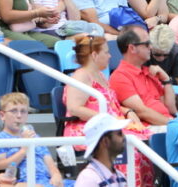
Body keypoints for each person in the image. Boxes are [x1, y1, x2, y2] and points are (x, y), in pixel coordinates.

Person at [63, 35, 154, 186]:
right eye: (106, 52)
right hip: (87, 128)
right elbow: (74, 108)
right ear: (94, 55)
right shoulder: (81, 76)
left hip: (110, 124)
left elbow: (111, 103)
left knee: (146, 144)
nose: (110, 55)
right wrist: (107, 120)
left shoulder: (100, 76)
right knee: (131, 149)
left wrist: (127, 111)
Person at [109, 25, 176, 125]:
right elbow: (142, 112)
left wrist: (166, 80)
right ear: (132, 48)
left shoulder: (150, 72)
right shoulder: (120, 76)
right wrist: (174, 126)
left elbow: (172, 109)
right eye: (147, 44)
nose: (151, 47)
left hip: (166, 125)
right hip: (151, 130)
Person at [0, 92, 63, 187]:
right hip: (20, 182)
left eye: (23, 111)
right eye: (13, 111)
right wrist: (24, 150)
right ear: (2, 115)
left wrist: (56, 175)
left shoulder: (34, 136)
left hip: (46, 181)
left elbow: (50, 163)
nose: (19, 115)